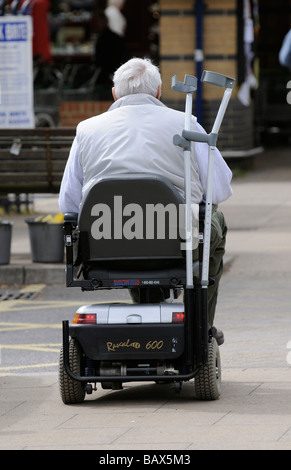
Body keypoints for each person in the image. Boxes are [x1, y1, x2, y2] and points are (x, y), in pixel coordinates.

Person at [59, 58, 233, 345]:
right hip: (175, 238)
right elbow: (220, 189)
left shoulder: (86, 129)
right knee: (215, 223)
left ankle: (148, 315)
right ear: (159, 92)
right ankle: (202, 326)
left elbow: (68, 203)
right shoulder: (186, 124)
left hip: (108, 240)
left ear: (115, 94)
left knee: (134, 234)